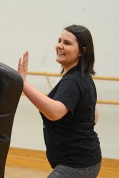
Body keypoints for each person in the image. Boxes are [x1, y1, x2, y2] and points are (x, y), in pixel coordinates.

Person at [18, 24, 102, 178]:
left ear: (82, 51)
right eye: (59, 41)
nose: (59, 46)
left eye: (67, 43)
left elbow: (54, 112)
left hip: (77, 164)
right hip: (86, 160)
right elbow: (94, 116)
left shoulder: (74, 81)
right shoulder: (83, 78)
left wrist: (23, 84)